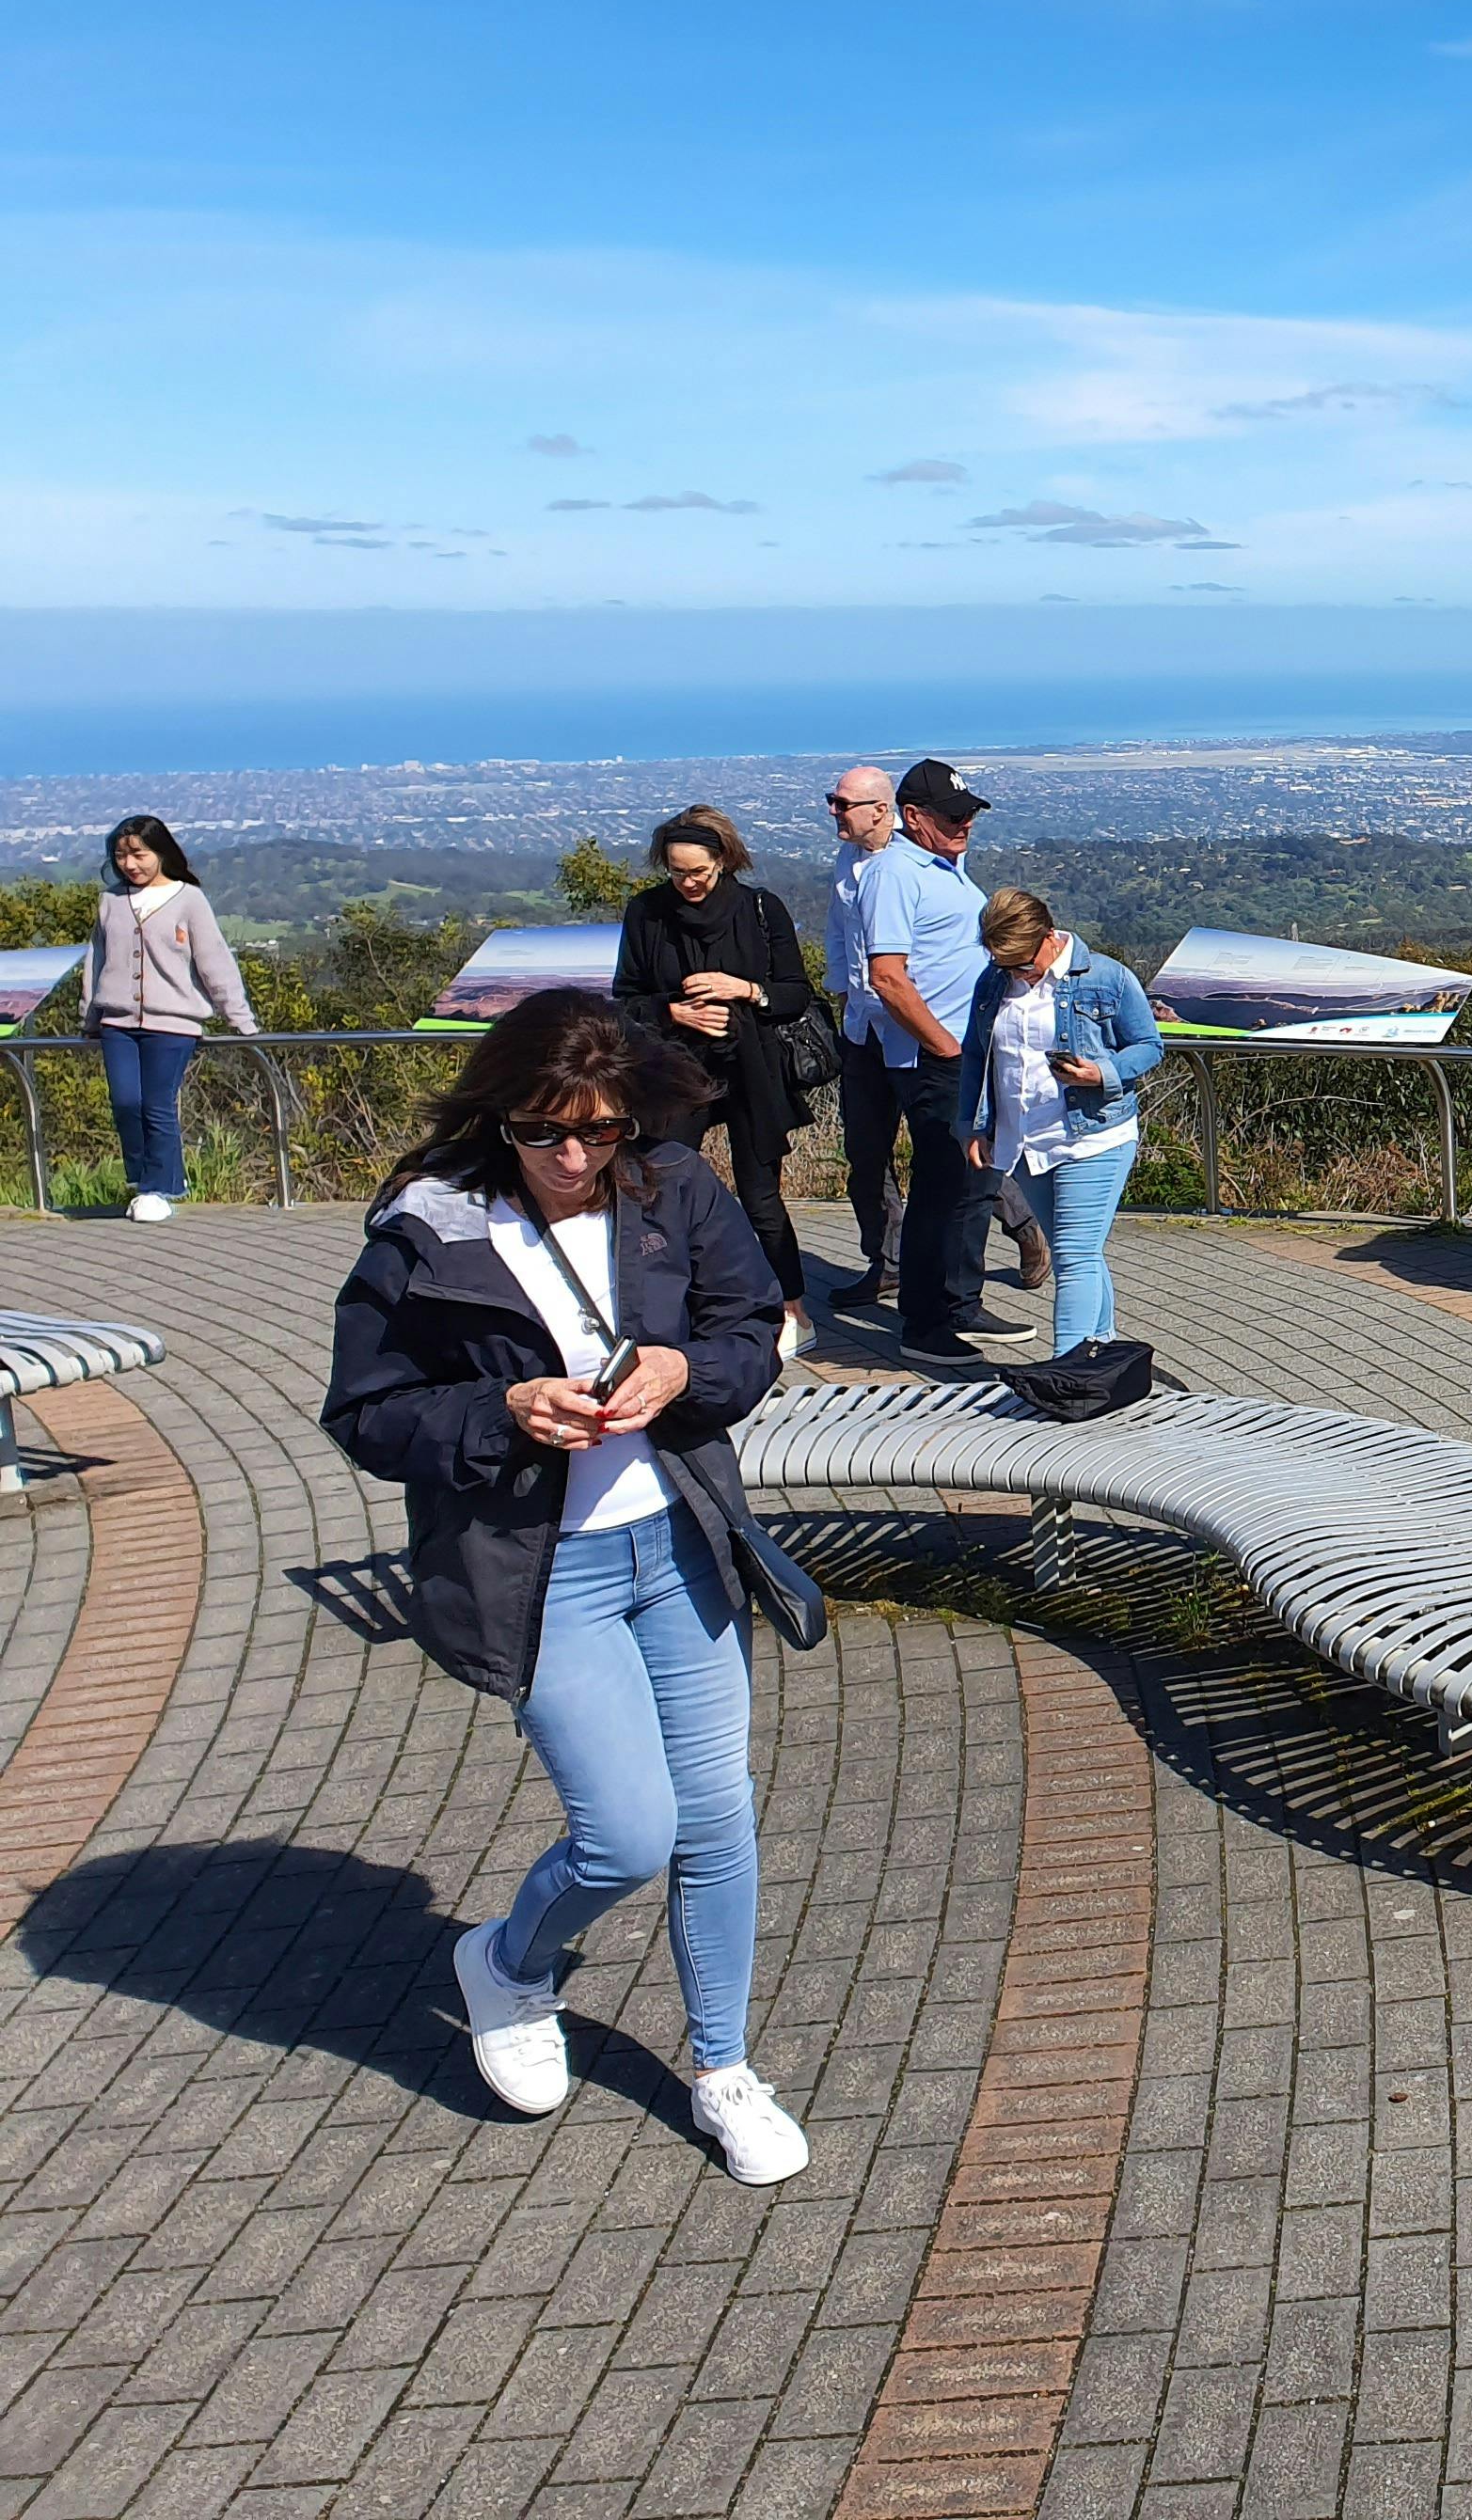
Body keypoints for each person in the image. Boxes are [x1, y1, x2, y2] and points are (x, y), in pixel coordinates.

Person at [318, 990, 812, 2182]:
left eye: (599, 1130)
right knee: (629, 1833)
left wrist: (686, 1370)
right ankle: (505, 1965)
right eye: (545, 1132)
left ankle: (723, 2068)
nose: (576, 1158)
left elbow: (751, 1327)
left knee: (716, 1815)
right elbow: (368, 1412)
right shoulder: (428, 1228)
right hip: (544, 1571)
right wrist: (503, 1410)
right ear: (501, 1116)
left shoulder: (672, 1186)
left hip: (679, 1542)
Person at [614, 806, 822, 1362]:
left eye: (698, 872)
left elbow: (794, 993)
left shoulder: (759, 909)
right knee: (661, 1187)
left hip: (752, 1070)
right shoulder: (647, 913)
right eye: (677, 872)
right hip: (676, 1073)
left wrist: (744, 990)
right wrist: (673, 1012)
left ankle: (792, 1311)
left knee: (761, 1197)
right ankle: (667, 1311)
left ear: (723, 862)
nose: (688, 883)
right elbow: (625, 999)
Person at [856, 759, 1020, 1366]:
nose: (964, 824)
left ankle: (960, 1302)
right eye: (952, 817)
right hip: (937, 1059)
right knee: (940, 1190)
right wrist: (945, 1047)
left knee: (975, 1185)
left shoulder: (945, 866)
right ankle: (923, 1324)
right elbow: (887, 977)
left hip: (970, 1054)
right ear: (913, 816)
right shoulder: (895, 873)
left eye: (969, 814)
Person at [958, 890, 1162, 1354]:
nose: (1016, 974)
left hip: (1093, 1136)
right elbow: (975, 1055)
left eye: (1024, 964)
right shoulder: (993, 982)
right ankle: (1101, 1355)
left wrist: (1102, 1073)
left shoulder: (1108, 977)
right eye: (1006, 966)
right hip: (1024, 1141)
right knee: (1080, 1254)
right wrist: (971, 1125)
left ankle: (1067, 1367)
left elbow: (1149, 1045)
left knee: (1073, 1258)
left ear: (1050, 937)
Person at [78, 814, 260, 1223]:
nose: (130, 864)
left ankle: (157, 1188)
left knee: (157, 1104)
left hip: (174, 1023)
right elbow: (96, 960)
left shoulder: (189, 899)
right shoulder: (111, 901)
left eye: (139, 855)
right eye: (121, 856)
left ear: (161, 852)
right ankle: (144, 1180)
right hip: (117, 1022)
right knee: (126, 1103)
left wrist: (239, 1017)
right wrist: (90, 1015)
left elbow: (214, 961)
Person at [822, 765, 903, 1305]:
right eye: (832, 801)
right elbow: (837, 931)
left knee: (949, 1142)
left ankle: (1021, 1225)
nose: (834, 811)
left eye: (843, 803)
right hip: (862, 1027)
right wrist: (844, 995)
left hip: (912, 1028)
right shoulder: (845, 861)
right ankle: (887, 1261)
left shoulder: (912, 863)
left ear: (880, 810)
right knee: (866, 1152)